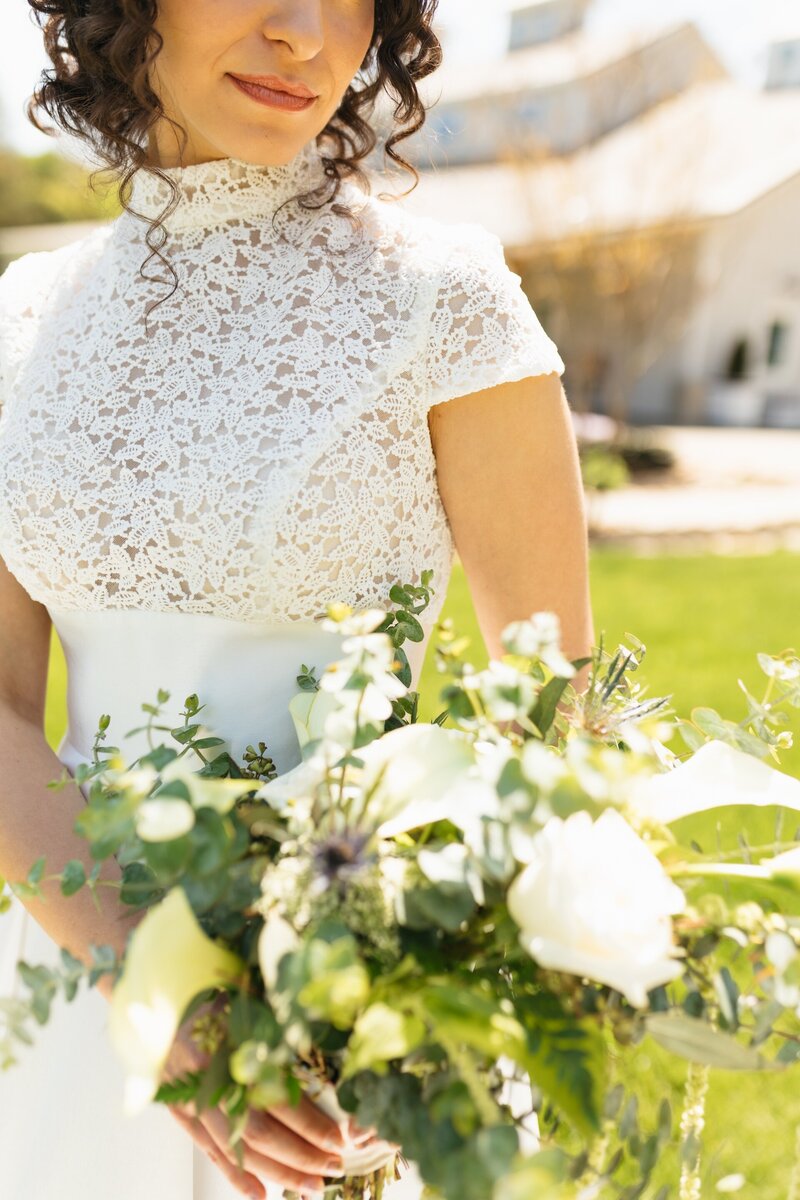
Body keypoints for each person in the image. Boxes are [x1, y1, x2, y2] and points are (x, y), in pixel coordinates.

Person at [0, 1, 594, 1197]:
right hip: (71, 996)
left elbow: (549, 717)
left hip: (344, 1033)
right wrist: (154, 990)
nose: (308, 34)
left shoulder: (445, 299)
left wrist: (409, 998)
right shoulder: (18, 322)